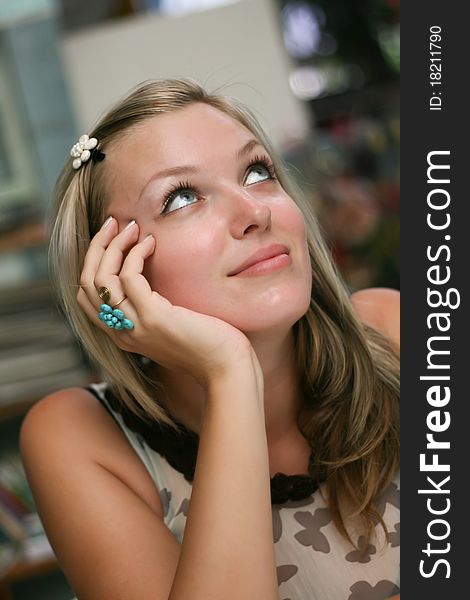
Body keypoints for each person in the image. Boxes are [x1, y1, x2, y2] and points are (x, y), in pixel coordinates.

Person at [19, 79, 400, 600]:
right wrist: (229, 372)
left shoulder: (395, 331)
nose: (255, 212)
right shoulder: (79, 436)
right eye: (181, 198)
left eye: (258, 172)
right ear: (113, 270)